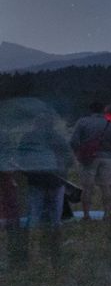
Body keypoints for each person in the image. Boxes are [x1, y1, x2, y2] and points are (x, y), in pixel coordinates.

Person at [13, 110, 73, 267]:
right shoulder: (58, 138)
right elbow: (69, 159)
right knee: (56, 217)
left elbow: (20, 158)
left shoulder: (28, 138)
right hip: (56, 181)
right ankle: (56, 249)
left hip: (36, 181)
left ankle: (34, 250)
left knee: (35, 215)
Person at [69, 101, 111, 220]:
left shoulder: (82, 122)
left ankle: (86, 214)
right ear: (103, 110)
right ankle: (107, 213)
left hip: (88, 158)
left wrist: (79, 153)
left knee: (87, 187)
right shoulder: (110, 124)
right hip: (108, 158)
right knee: (106, 187)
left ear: (90, 110)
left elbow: (73, 141)